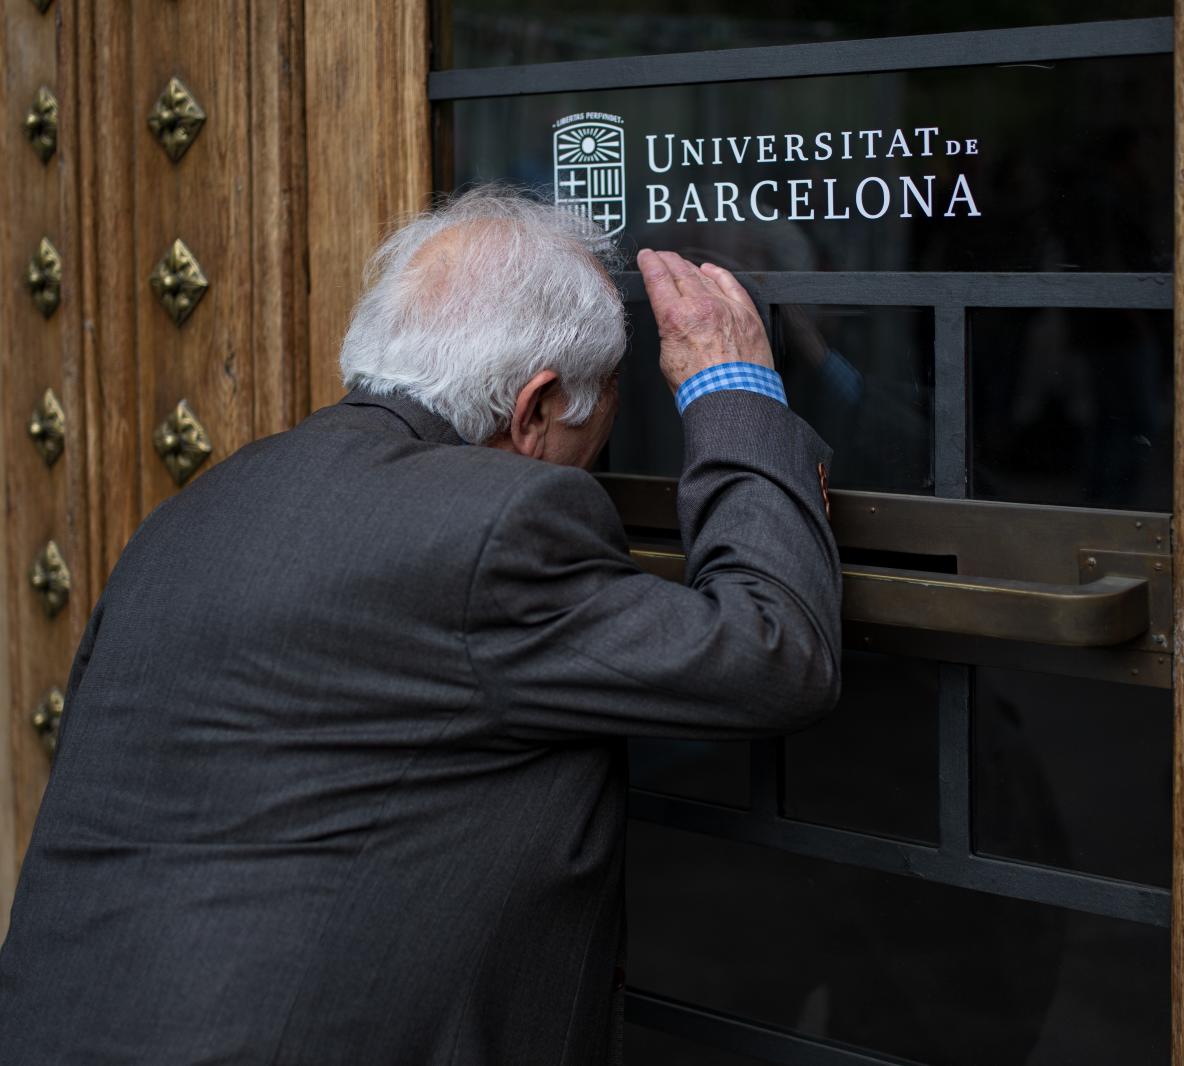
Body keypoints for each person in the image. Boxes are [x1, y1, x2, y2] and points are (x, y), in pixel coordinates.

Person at [0, 187, 842, 1064]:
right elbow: (772, 653)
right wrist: (730, 385)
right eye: (599, 433)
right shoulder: (498, 526)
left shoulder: (196, 509)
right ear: (534, 409)